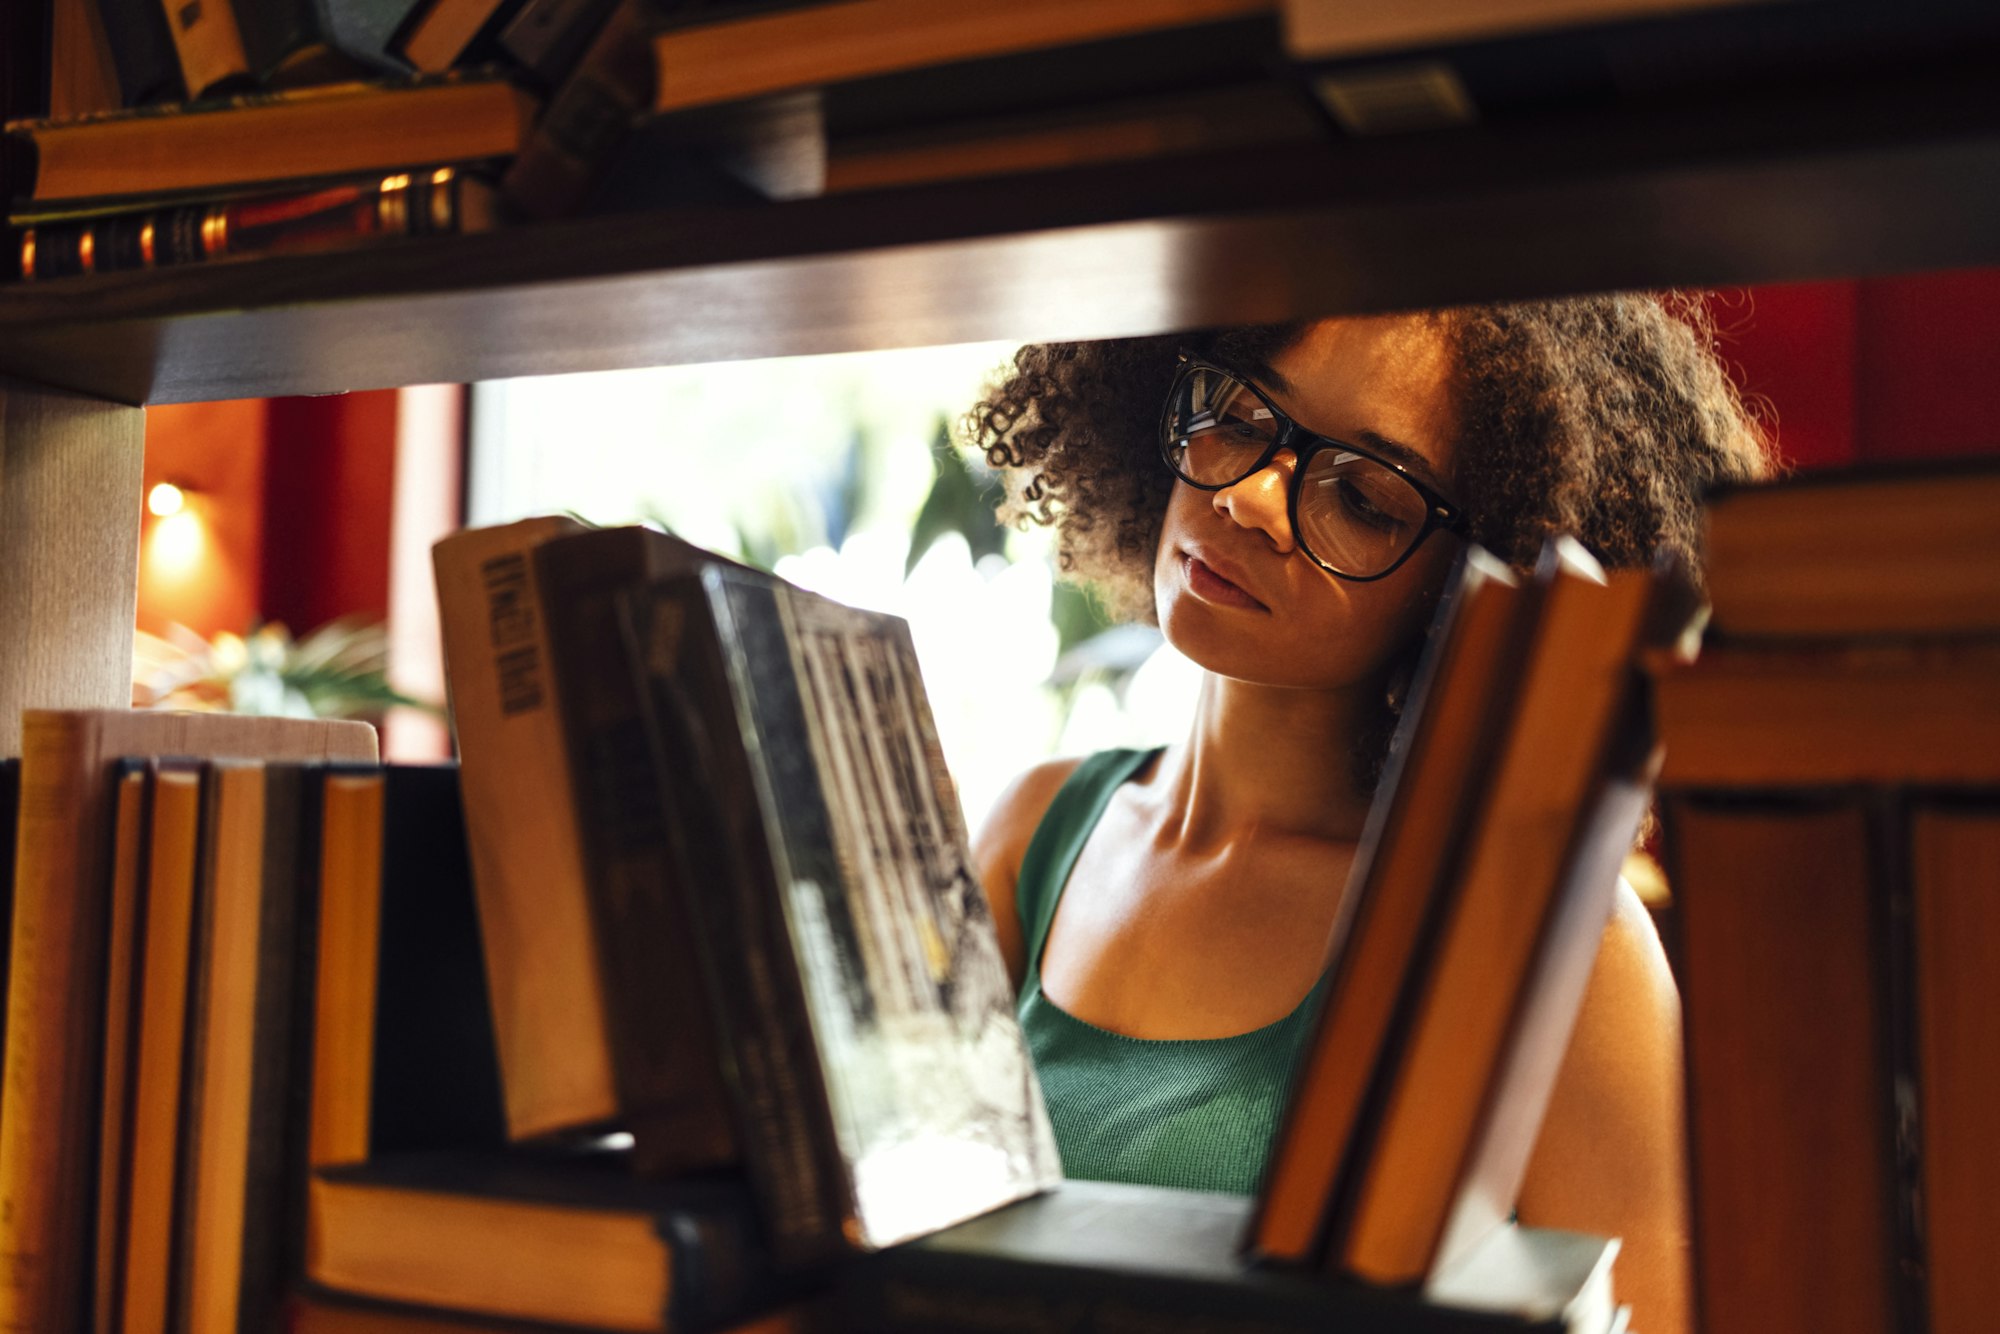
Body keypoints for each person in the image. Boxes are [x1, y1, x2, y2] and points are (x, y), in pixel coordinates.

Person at [964, 297, 1774, 1334]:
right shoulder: (1032, 830)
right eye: (1245, 414)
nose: (1251, 496)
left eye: (1363, 497)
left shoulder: (1553, 939)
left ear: (1472, 574)